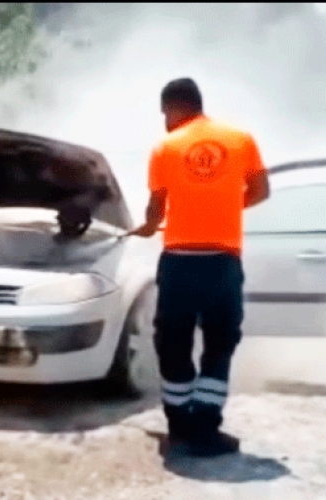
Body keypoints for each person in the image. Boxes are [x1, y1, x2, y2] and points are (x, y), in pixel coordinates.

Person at [128, 78, 270, 457]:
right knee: (220, 343)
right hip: (222, 263)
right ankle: (206, 428)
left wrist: (147, 227)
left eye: (164, 114)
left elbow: (156, 210)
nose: (164, 121)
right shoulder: (241, 139)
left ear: (174, 107)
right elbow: (260, 191)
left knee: (173, 342)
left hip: (179, 262)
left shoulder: (165, 147)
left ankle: (179, 425)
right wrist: (222, 207)